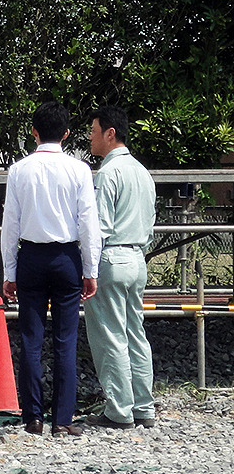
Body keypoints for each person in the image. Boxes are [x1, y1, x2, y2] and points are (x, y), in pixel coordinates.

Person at [0, 102, 101, 437]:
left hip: (30, 256)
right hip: (66, 258)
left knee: (31, 338)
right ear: (67, 133)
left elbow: (10, 225)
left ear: (34, 131)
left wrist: (9, 272)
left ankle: (33, 416)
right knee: (65, 338)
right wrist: (91, 268)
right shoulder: (79, 170)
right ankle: (62, 419)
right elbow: (88, 224)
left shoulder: (19, 170)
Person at [84, 106, 157, 429]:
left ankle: (118, 409)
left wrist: (88, 266)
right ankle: (144, 405)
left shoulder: (108, 174)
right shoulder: (142, 172)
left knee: (110, 336)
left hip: (112, 257)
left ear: (110, 133)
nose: (90, 137)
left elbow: (99, 226)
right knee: (135, 334)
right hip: (137, 256)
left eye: (94, 130)